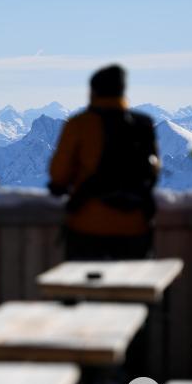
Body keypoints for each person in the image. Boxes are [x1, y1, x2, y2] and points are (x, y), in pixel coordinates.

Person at [48, 64, 160, 260]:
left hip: (88, 226)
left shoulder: (79, 124)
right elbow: (154, 171)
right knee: (132, 280)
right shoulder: (143, 124)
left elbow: (59, 174)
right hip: (135, 227)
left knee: (83, 279)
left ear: (93, 91)